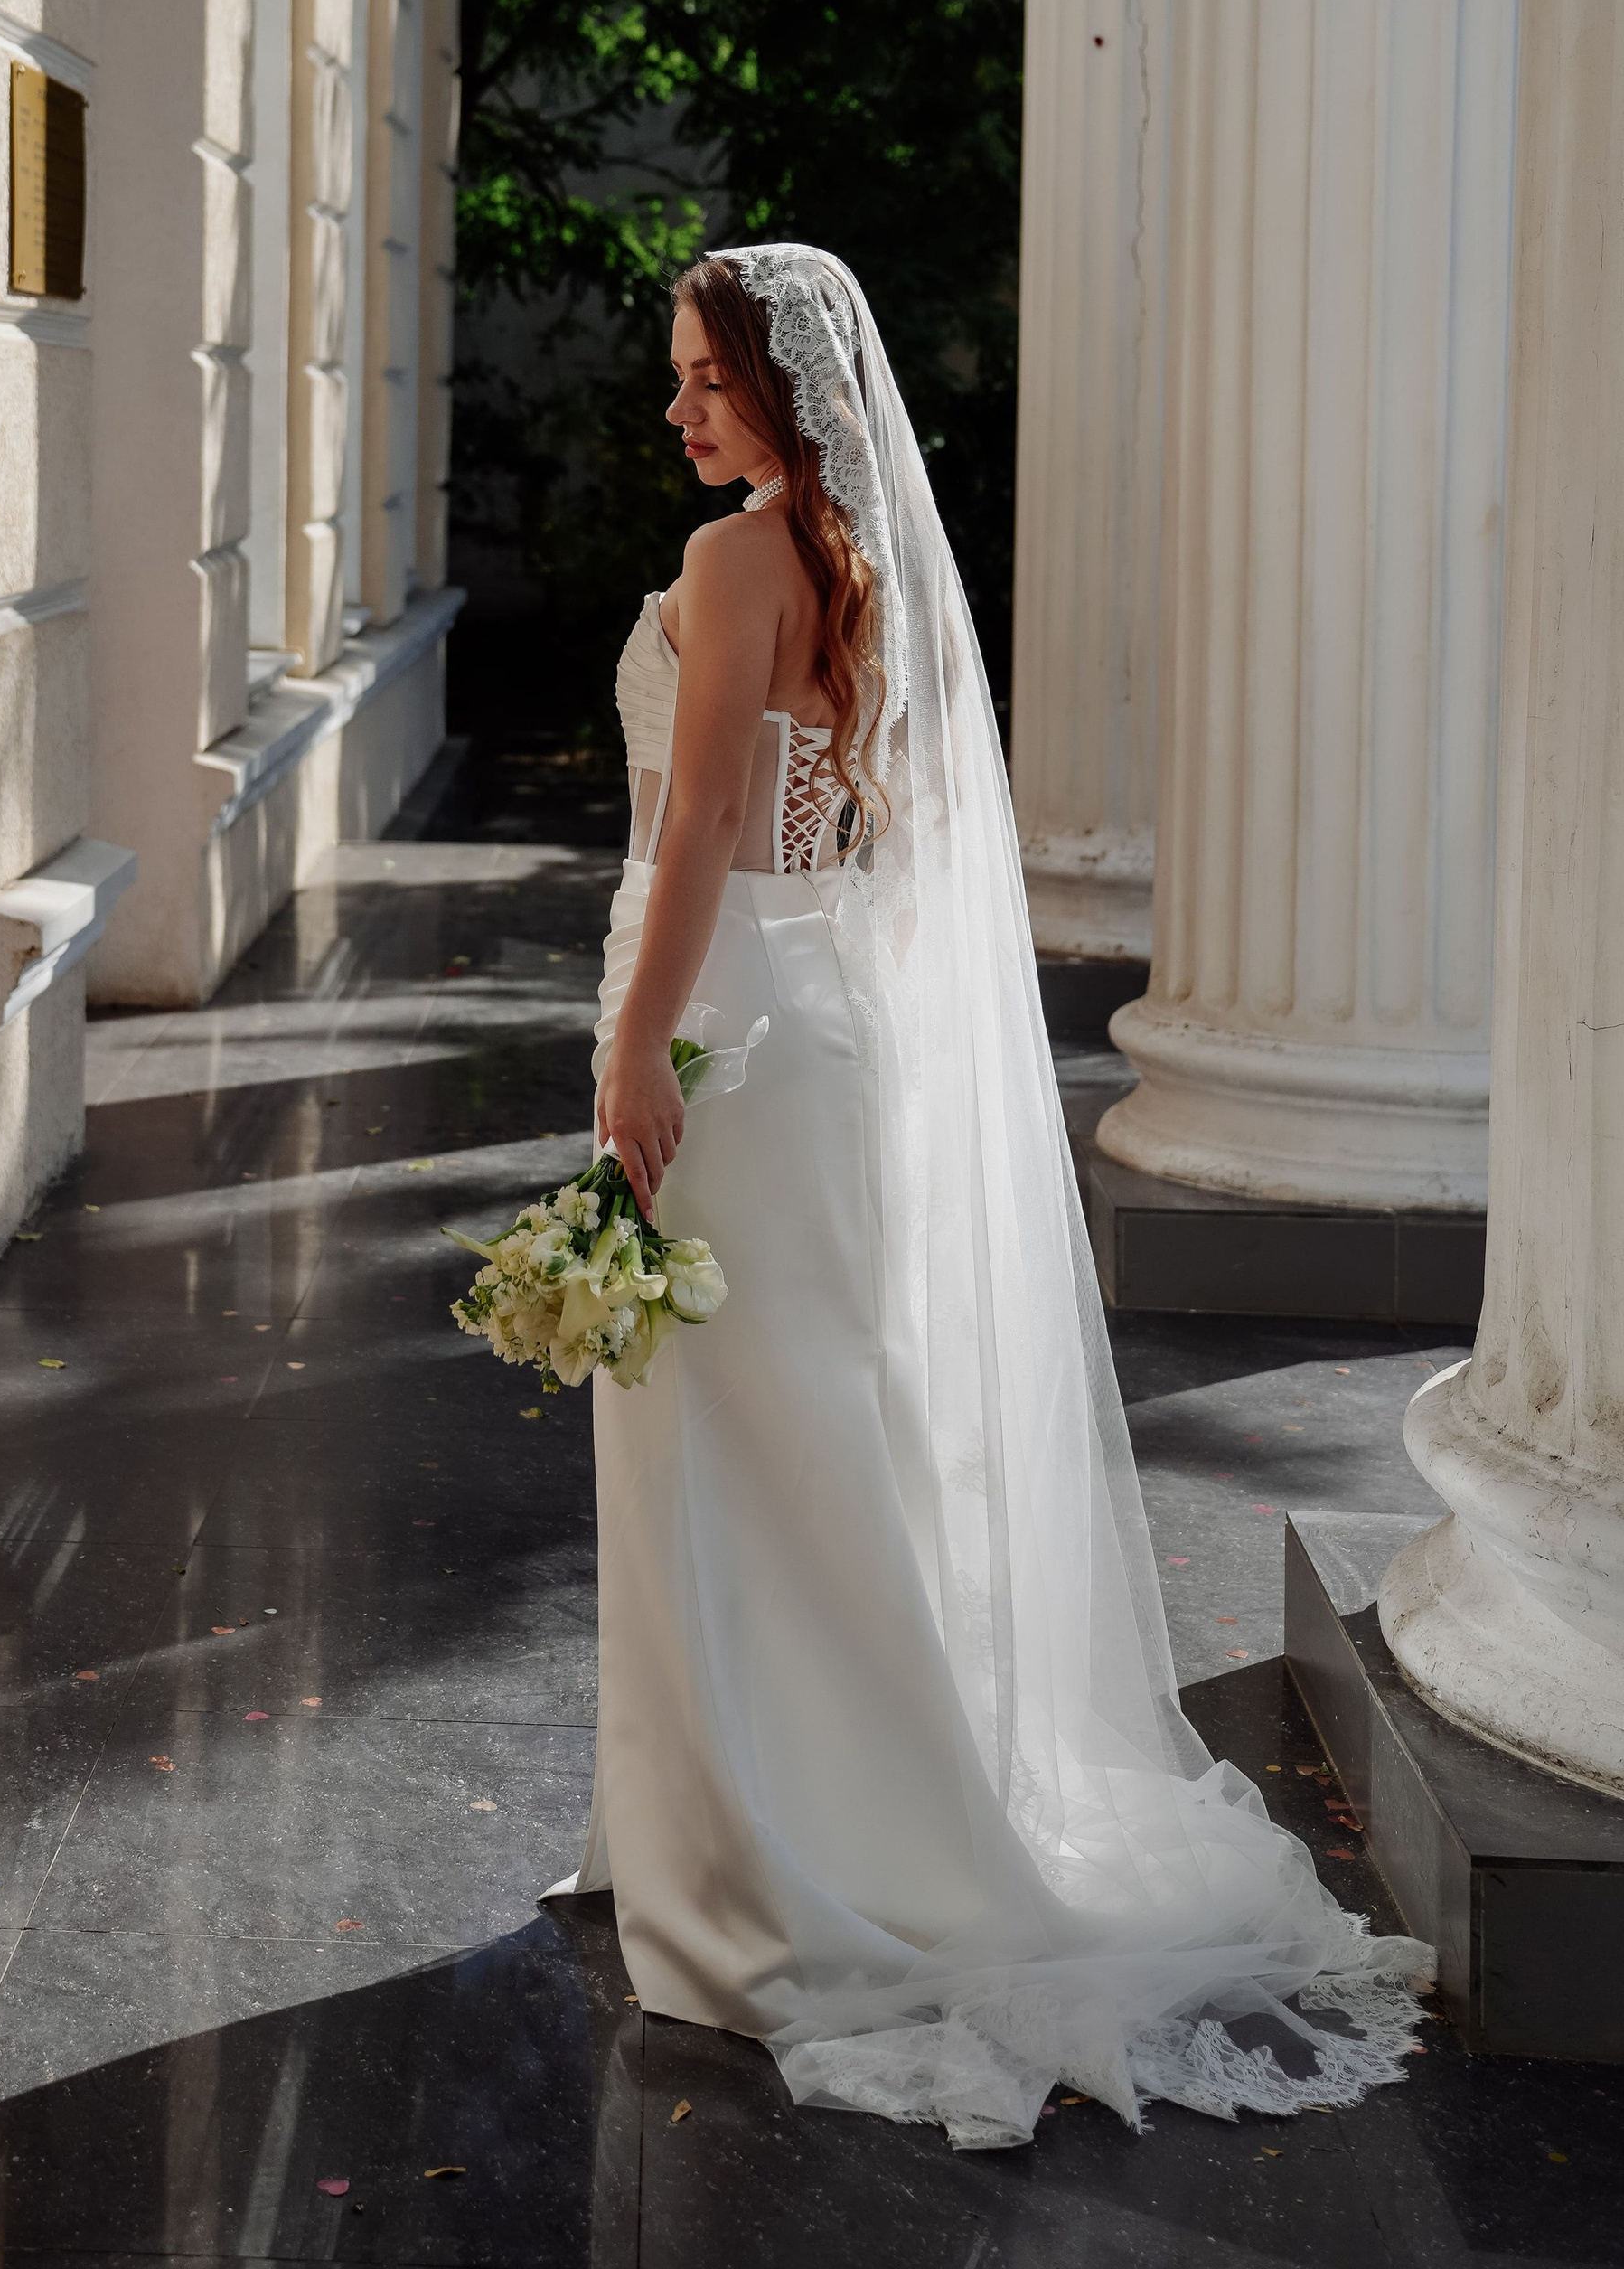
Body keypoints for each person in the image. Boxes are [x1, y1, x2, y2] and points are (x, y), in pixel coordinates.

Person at [556, 243, 1432, 2148]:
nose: (679, 409)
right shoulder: (838, 566)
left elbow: (699, 820)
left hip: (723, 1028)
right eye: (684, 379)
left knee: (735, 1443)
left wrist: (638, 1044)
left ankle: (766, 1855)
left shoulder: (730, 564)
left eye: (706, 379)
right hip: (811, 1027)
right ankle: (767, 1818)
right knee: (815, 1441)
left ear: (785, 401)